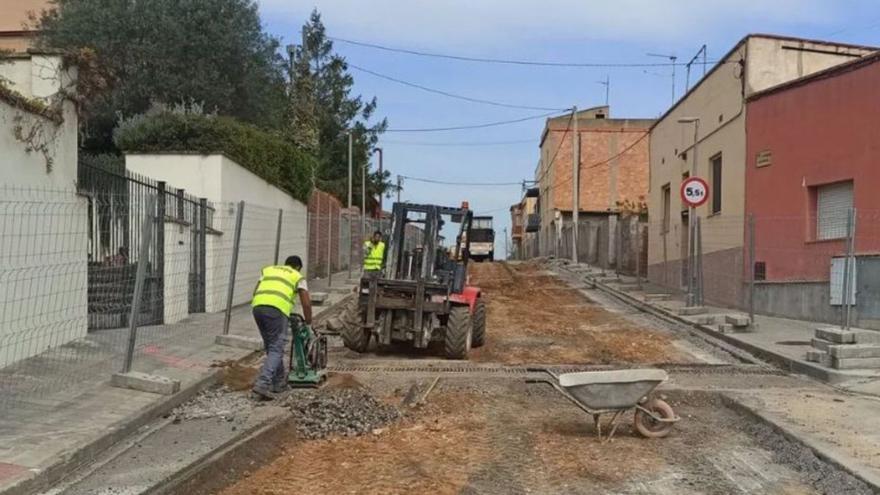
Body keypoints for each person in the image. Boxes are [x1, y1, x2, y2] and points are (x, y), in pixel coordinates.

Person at [250, 255, 312, 399]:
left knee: (271, 347)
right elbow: (306, 303)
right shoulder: (297, 276)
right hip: (277, 310)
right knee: (277, 348)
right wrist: (308, 323)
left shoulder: (269, 270)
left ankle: (278, 383)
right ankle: (262, 385)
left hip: (257, 307)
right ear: (298, 267)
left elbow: (255, 292)